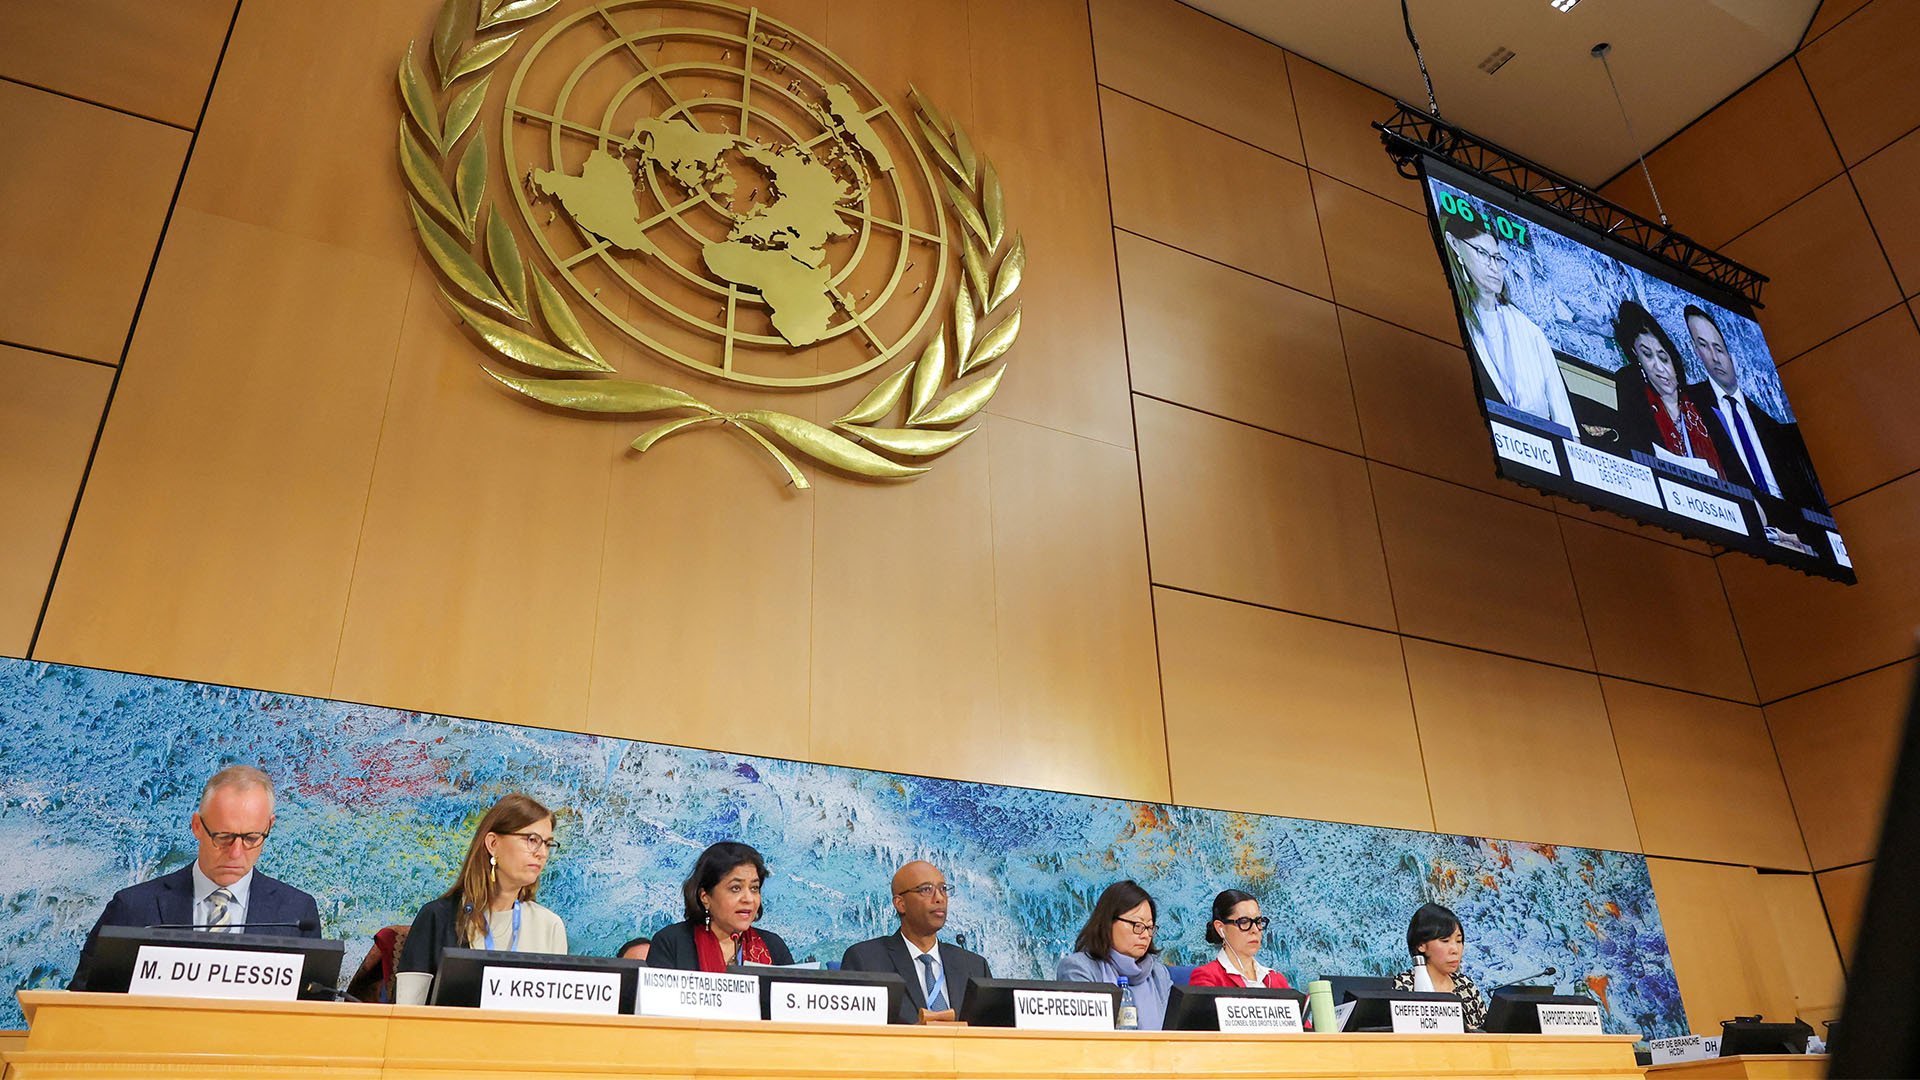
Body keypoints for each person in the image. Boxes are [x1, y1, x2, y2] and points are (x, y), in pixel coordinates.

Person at [70, 765, 324, 991]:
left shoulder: (297, 914)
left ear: (269, 826)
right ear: (197, 826)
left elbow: (312, 1015)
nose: (236, 853)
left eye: (251, 838)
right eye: (223, 837)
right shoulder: (133, 908)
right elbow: (80, 1005)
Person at [395, 792, 567, 1003]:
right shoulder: (437, 917)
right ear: (493, 843)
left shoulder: (550, 925)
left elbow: (555, 1015)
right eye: (532, 840)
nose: (542, 853)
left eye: (548, 844)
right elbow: (407, 1010)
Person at [1681, 304, 1829, 544]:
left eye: (1718, 348)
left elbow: (1810, 501)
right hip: (1740, 526)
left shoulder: (1774, 426)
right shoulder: (1690, 404)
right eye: (1704, 346)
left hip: (1800, 532)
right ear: (1696, 351)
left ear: (1731, 354)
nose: (1715, 357)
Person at [1442, 211, 1579, 436]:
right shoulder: (1456, 319)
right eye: (1482, 253)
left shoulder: (1530, 331)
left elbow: (1566, 422)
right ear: (1455, 246)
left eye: (1497, 258)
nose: (1493, 267)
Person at [841, 860, 993, 1023]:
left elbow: (994, 1028)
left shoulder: (975, 966)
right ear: (900, 904)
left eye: (943, 889)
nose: (939, 898)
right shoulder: (866, 961)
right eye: (926, 889)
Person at [1611, 300, 1727, 480]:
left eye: (1663, 358)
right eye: (1647, 356)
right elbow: (1635, 451)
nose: (1659, 367)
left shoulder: (1703, 401)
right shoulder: (1633, 387)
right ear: (1637, 359)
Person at [648, 841, 794, 970]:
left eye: (754, 888)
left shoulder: (773, 946)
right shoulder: (672, 942)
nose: (749, 899)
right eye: (735, 888)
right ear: (705, 897)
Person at [1055, 879, 1173, 1031]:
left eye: (1149, 928)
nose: (1145, 935)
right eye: (1137, 925)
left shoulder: (1159, 974)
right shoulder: (1078, 968)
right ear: (1108, 922)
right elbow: (1084, 1034)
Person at [1391, 902, 1488, 1032]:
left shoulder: (1466, 986)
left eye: (1459, 941)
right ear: (1421, 945)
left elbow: (1488, 1033)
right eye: (1445, 941)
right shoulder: (1403, 987)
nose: (1455, 949)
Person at [1188, 889, 1290, 989]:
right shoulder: (1208, 977)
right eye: (1244, 922)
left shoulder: (1276, 979)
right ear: (1220, 928)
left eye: (1258, 922)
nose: (1255, 930)